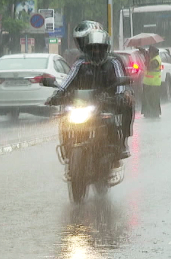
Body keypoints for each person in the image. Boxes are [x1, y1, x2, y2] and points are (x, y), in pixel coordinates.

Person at [47, 21, 134, 158]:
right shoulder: (80, 62)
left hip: (108, 101)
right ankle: (68, 145)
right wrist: (58, 93)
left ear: (106, 48)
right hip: (85, 102)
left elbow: (121, 81)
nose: (96, 51)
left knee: (127, 104)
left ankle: (122, 142)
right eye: (92, 48)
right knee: (65, 120)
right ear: (87, 48)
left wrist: (121, 94)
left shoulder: (114, 62)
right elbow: (68, 80)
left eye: (100, 48)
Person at [141, 45, 162, 118]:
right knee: (147, 99)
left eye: (150, 52)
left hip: (154, 84)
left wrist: (147, 61)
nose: (149, 53)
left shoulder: (156, 60)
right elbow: (144, 52)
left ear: (152, 53)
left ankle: (154, 113)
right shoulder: (153, 57)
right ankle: (148, 112)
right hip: (148, 83)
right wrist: (140, 49)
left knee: (153, 99)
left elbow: (150, 67)